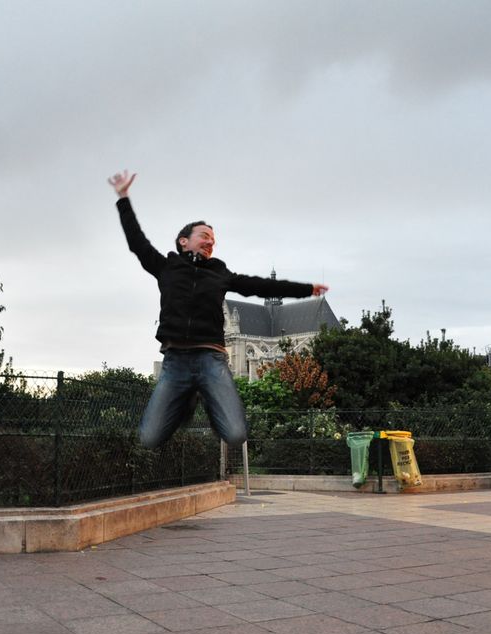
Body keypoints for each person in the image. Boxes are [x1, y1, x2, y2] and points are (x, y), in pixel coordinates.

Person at [109, 170, 329, 449]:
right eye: (204, 235)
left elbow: (259, 286)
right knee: (149, 437)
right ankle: (190, 398)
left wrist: (306, 289)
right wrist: (123, 197)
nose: (210, 240)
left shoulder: (219, 273)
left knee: (236, 435)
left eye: (213, 238)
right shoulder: (166, 267)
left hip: (211, 358)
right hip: (175, 358)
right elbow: (136, 242)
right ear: (183, 241)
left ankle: (201, 395)